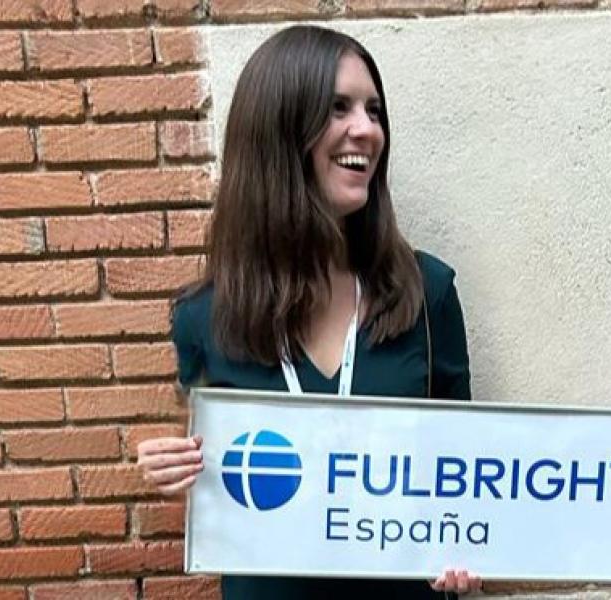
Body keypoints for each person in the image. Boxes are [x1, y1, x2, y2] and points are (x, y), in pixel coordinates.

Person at [136, 25, 481, 598]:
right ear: (279, 131)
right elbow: (218, 471)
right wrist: (174, 466)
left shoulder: (427, 293)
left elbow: (466, 469)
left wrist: (467, 545)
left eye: (374, 110)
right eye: (338, 108)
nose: (366, 129)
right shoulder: (203, 319)